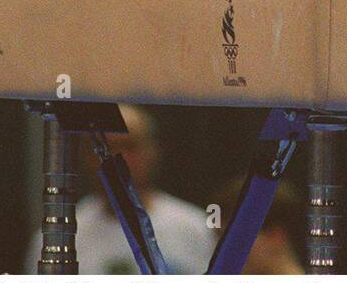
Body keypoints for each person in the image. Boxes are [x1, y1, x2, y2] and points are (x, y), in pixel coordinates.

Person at [23, 106, 211, 274]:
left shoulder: (196, 228)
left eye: (130, 146)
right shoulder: (56, 237)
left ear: (153, 152)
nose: (119, 159)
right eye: (109, 148)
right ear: (88, 157)